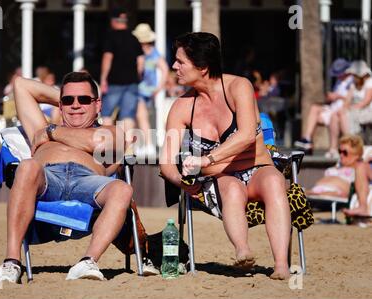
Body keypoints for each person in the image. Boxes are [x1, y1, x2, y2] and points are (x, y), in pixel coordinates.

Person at [160, 32, 291, 280]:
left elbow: (246, 136)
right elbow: (166, 161)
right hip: (221, 177)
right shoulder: (181, 107)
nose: (174, 67)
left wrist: (206, 160)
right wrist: (184, 183)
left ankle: (282, 265)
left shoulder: (238, 86)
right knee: (230, 188)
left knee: (274, 181)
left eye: (180, 61)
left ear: (202, 66)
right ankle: (243, 252)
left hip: (256, 167)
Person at [0, 71, 133, 284]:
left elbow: (100, 144)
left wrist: (52, 131)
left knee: (122, 189)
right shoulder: (39, 128)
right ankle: (12, 262)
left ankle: (88, 261)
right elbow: (21, 85)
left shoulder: (111, 131)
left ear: (98, 105)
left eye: (84, 100)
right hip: (48, 177)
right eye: (68, 101)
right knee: (28, 166)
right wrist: (65, 98)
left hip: (89, 181)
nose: (75, 105)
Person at [294, 58, 353, 158]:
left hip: (342, 110)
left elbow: (350, 99)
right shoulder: (339, 81)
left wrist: (337, 96)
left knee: (333, 116)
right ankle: (307, 139)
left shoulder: (352, 81)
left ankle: (333, 148)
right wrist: (331, 97)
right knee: (314, 108)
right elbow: (335, 97)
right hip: (333, 107)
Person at [100, 8, 144, 139]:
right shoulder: (134, 38)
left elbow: (107, 58)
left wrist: (103, 79)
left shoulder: (110, 37)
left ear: (113, 21)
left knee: (106, 113)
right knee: (128, 115)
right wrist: (138, 77)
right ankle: (128, 149)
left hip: (114, 82)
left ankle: (108, 144)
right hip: (132, 82)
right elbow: (141, 61)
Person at [307, 135, 370, 218]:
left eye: (345, 152)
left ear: (357, 155)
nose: (341, 155)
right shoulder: (335, 168)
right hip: (313, 193)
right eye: (339, 151)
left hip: (336, 194)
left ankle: (363, 207)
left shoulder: (361, 167)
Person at [132, 23, 169, 157]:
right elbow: (164, 70)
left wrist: (159, 88)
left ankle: (148, 145)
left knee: (141, 117)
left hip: (139, 89)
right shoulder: (154, 52)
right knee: (139, 117)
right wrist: (158, 88)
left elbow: (140, 72)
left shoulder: (139, 53)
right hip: (149, 90)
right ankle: (141, 145)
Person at [337, 60, 372, 138]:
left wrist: (350, 108)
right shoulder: (353, 84)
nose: (352, 76)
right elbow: (348, 99)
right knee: (337, 114)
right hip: (357, 110)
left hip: (368, 111)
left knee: (347, 114)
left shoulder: (370, 82)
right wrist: (344, 108)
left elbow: (366, 102)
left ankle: (351, 140)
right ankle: (337, 146)